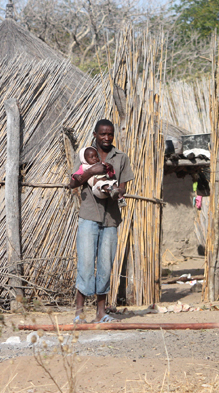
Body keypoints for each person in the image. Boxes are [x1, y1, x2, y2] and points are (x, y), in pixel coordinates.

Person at [69, 119, 134, 324]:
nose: (107, 138)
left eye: (110, 134)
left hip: (111, 218)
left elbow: (123, 187)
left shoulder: (121, 157)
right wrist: (91, 171)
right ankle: (79, 314)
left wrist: (115, 191)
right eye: (103, 134)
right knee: (86, 263)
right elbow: (72, 183)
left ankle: (101, 313)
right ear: (95, 134)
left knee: (105, 264)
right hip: (89, 215)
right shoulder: (84, 156)